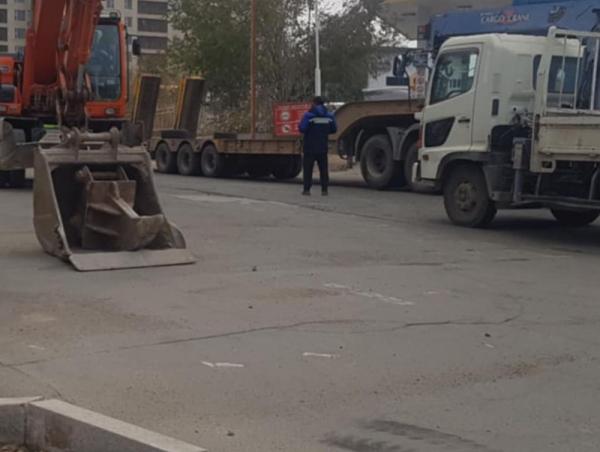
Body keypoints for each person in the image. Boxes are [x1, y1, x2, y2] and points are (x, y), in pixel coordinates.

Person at [298, 96, 337, 196]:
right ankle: (324, 190)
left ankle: (307, 190)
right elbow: (334, 129)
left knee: (308, 169)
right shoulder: (329, 116)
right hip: (322, 147)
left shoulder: (308, 116)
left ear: (314, 103)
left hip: (309, 147)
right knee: (323, 169)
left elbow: (302, 128)